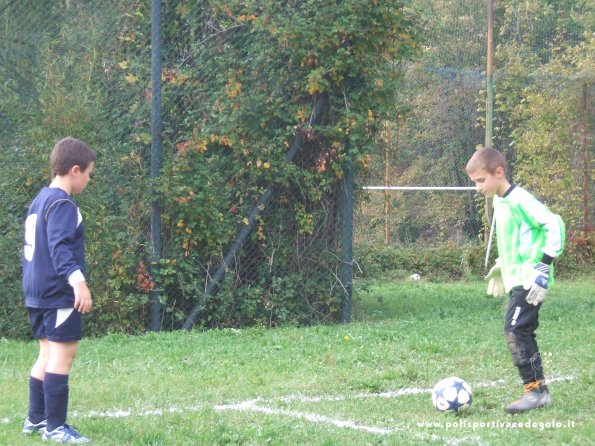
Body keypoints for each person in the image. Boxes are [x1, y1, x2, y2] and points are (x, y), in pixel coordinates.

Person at [466, 147, 565, 414]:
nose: (477, 188)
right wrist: (502, 265)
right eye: (474, 182)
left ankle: (536, 392)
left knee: (516, 330)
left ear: (499, 173)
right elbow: (516, 240)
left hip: (530, 279)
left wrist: (543, 266)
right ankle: (537, 390)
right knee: (518, 330)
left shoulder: (520, 199)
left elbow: (554, 225)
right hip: (516, 277)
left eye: (480, 181)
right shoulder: (500, 201)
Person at [22, 137, 96, 443]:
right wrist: (78, 283)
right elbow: (60, 247)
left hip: (35, 292)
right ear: (75, 170)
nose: (89, 180)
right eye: (89, 173)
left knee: (46, 353)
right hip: (57, 293)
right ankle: (55, 426)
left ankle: (35, 421)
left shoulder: (39, 199)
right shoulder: (64, 203)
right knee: (63, 356)